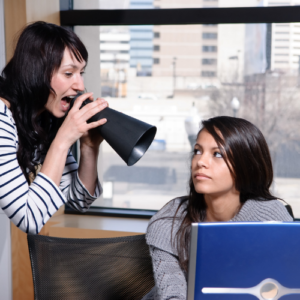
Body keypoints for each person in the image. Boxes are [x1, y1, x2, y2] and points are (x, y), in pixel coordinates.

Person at [142, 116, 293, 300]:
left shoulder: (271, 217)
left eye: (217, 154)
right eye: (197, 151)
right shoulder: (170, 219)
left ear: (246, 165)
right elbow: (172, 295)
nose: (200, 162)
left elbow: (282, 288)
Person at [0, 21, 108, 234]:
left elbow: (79, 200)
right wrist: (63, 140)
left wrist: (88, 146)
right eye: (68, 74)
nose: (79, 85)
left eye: (81, 73)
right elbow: (30, 218)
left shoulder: (42, 119)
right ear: (36, 73)